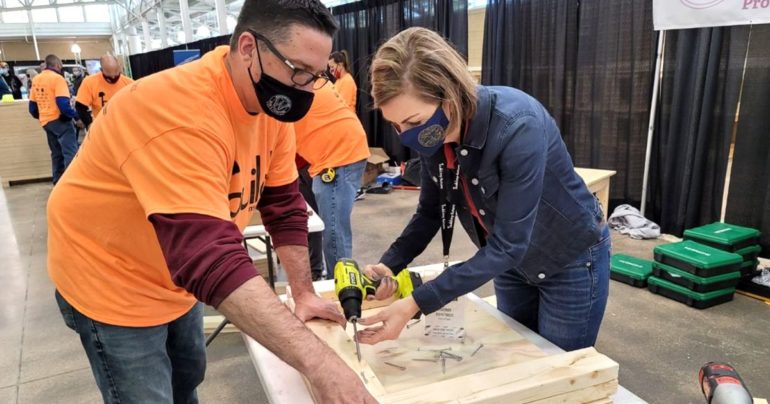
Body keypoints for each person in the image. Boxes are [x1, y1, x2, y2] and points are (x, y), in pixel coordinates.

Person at [46, 0, 375, 403]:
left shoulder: (270, 106)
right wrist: (323, 366)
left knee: (186, 381)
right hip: (111, 277)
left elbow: (283, 203)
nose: (306, 88)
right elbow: (208, 257)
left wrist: (303, 293)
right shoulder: (178, 110)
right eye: (298, 72)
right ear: (250, 48)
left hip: (171, 276)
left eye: (315, 76)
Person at [356, 27, 611, 352]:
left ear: (449, 96)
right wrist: (390, 264)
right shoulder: (432, 131)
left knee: (556, 363)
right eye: (396, 125)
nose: (406, 135)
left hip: (568, 258)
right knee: (518, 354)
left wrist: (415, 303)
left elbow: (509, 244)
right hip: (508, 262)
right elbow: (430, 212)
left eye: (413, 121)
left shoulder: (517, 124)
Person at [294, 83, 370, 279]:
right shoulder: (305, 79)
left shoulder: (286, 87)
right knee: (319, 223)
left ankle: (341, 289)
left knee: (334, 232)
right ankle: (324, 277)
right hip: (333, 153)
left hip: (338, 156)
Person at [28, 54, 83, 184]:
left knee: (56, 153)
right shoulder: (57, 79)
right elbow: (63, 103)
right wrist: (76, 117)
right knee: (70, 151)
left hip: (46, 122)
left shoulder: (36, 79)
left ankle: (57, 181)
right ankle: (73, 182)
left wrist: (42, 116)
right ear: (57, 65)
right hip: (60, 121)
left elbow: (32, 107)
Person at [75, 54, 133, 128]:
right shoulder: (90, 82)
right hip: (102, 126)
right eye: (109, 76)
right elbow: (80, 106)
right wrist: (89, 123)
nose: (113, 77)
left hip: (124, 125)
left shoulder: (129, 83)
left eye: (116, 75)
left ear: (119, 68)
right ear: (101, 70)